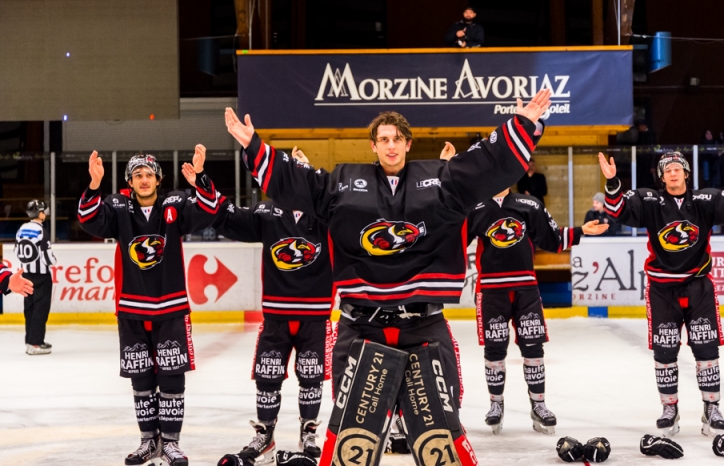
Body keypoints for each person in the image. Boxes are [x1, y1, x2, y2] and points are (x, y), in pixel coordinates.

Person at [224, 88, 551, 465]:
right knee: (352, 442)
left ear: (408, 144)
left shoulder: (441, 179)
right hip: (362, 327)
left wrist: (522, 126)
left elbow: (483, 164)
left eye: (397, 139)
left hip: (423, 325)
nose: (391, 145)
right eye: (383, 139)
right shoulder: (345, 181)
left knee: (439, 438)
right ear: (373, 146)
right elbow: (301, 184)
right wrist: (255, 148)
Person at [599, 149, 724, 437]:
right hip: (662, 289)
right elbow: (618, 212)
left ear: (686, 173)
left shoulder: (706, 199)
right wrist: (613, 184)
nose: (673, 172)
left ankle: (711, 408)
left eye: (677, 168)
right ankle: (669, 408)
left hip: (698, 285)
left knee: (706, 349)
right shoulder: (650, 200)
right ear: (661, 177)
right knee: (665, 351)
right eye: (667, 169)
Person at [184, 148, 332, 465]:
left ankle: (308, 433)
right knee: (268, 376)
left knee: (311, 377)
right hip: (277, 316)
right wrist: (203, 181)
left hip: (315, 316)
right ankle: (265, 433)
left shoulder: (328, 216)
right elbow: (226, 216)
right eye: (292, 175)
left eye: (303, 174)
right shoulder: (268, 213)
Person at [78, 147, 222, 466]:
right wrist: (94, 184)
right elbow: (89, 221)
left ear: (159, 179)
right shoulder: (118, 207)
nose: (144, 180)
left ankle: (169, 442)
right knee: (141, 378)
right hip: (131, 309)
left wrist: (200, 178)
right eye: (137, 175)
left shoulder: (175, 205)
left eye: (148, 175)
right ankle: (148, 441)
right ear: (130, 181)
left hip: (170, 308)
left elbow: (211, 210)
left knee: (172, 377)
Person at [467, 186, 607, 435]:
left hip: (526, 287)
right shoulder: (474, 205)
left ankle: (539, 404)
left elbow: (549, 237)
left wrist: (580, 231)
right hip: (491, 290)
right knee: (495, 348)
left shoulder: (528, 204)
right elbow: (451, 241)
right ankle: (495, 405)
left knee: (533, 346)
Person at [15, 200, 56, 355]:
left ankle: (29, 340)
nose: (45, 214)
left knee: (30, 308)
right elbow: (47, 255)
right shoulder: (41, 231)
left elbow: (16, 251)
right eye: (44, 211)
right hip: (41, 276)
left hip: (26, 274)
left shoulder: (21, 229)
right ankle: (36, 343)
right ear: (40, 213)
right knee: (41, 308)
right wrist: (53, 261)